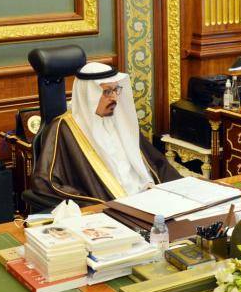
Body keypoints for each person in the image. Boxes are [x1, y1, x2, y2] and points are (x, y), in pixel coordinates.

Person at [31, 62, 178, 204]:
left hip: (148, 197)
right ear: (89, 95)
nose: (114, 98)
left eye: (116, 90)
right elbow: (44, 182)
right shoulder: (64, 128)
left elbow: (157, 163)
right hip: (113, 205)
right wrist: (94, 204)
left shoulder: (121, 120)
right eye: (107, 92)